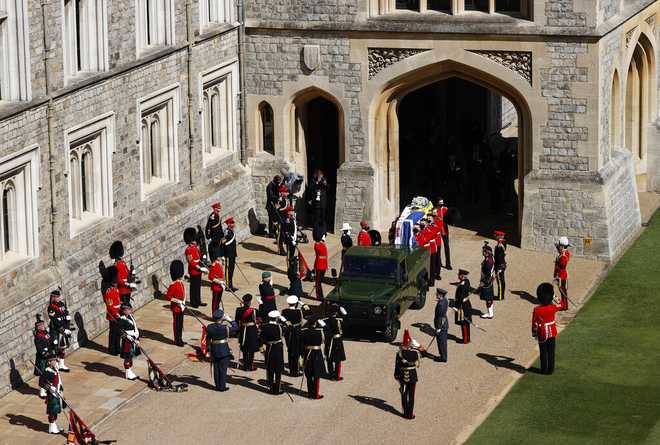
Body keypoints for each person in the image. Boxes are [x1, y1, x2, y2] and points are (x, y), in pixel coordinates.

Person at [532, 282, 568, 375]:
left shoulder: (537, 309)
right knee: (551, 352)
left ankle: (544, 370)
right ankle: (550, 370)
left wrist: (534, 334)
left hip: (542, 332)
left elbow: (534, 323)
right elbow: (562, 305)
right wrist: (554, 296)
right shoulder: (552, 307)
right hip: (552, 331)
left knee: (543, 352)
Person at [394, 329, 425, 420]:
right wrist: (419, 346)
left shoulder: (399, 353)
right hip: (412, 376)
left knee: (404, 394)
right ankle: (410, 414)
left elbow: (397, 365)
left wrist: (396, 375)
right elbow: (423, 351)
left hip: (402, 376)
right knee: (411, 396)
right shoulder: (415, 353)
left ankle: (405, 413)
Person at [206, 309, 238, 391]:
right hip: (223, 350)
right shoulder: (225, 328)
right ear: (221, 318)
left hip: (214, 349)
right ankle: (222, 387)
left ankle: (217, 386)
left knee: (216, 368)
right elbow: (236, 327)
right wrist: (230, 320)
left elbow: (208, 339)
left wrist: (209, 349)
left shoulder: (209, 327)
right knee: (223, 369)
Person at [260, 310, 288, 394]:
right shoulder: (280, 327)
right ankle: (277, 389)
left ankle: (271, 388)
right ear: (276, 318)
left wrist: (262, 350)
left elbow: (261, 339)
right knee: (278, 369)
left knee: (270, 368)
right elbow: (290, 328)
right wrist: (285, 320)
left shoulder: (264, 327)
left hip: (269, 348)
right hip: (278, 348)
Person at [281, 296, 309, 376]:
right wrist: (303, 304)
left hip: (288, 333)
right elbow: (308, 314)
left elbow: (283, 322)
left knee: (290, 350)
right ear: (296, 303)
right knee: (297, 351)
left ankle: (291, 369)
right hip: (297, 332)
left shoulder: (284, 311)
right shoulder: (299, 311)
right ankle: (295, 371)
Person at [301, 318, 326, 399]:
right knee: (316, 375)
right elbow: (322, 341)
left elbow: (302, 344)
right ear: (315, 323)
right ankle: (315, 394)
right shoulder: (319, 331)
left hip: (307, 354)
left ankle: (310, 393)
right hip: (317, 354)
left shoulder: (304, 331)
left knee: (309, 375)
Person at [47, 290, 71, 372]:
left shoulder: (62, 304)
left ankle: (62, 364)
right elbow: (54, 320)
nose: (58, 298)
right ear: (53, 297)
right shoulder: (51, 307)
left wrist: (67, 326)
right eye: (56, 297)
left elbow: (66, 314)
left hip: (64, 327)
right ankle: (55, 363)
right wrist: (63, 329)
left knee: (63, 347)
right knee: (56, 347)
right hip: (56, 329)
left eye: (58, 296)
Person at [184, 227, 208, 308]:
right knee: (194, 287)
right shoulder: (188, 250)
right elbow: (190, 262)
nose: (195, 241)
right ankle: (193, 302)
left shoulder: (194, 248)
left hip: (198, 269)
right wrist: (199, 268)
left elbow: (198, 257)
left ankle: (198, 301)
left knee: (198, 286)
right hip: (194, 270)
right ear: (190, 241)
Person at [235, 294, 259, 371]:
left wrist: (241, 308)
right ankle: (250, 365)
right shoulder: (254, 310)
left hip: (243, 330)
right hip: (252, 330)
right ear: (249, 302)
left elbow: (236, 321)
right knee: (251, 349)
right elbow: (260, 318)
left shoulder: (238, 310)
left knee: (244, 348)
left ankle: (245, 366)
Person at [117, 303, 141, 381]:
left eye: (130, 309)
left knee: (131, 356)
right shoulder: (121, 320)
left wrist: (136, 338)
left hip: (134, 338)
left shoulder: (131, 317)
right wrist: (130, 338)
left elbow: (135, 327)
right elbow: (121, 332)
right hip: (127, 340)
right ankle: (128, 372)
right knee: (127, 357)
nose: (130, 310)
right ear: (124, 311)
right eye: (128, 309)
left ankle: (130, 371)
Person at [42, 354, 64, 434]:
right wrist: (50, 388)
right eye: (53, 360)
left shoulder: (55, 369)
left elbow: (59, 380)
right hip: (51, 394)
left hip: (57, 392)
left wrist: (61, 389)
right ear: (49, 362)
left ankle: (55, 425)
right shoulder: (46, 371)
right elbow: (41, 383)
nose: (55, 362)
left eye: (55, 360)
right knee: (52, 410)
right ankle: (51, 427)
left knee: (56, 410)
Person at [109, 240, 136, 306]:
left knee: (127, 306)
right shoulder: (116, 265)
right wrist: (127, 283)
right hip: (122, 290)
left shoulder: (122, 262)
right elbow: (118, 279)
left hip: (127, 289)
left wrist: (132, 270)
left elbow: (127, 273)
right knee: (125, 307)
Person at [324, 304, 347, 381]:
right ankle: (337, 376)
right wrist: (341, 308)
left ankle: (331, 375)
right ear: (336, 312)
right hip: (337, 341)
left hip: (329, 340)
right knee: (338, 359)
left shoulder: (325, 320)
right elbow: (346, 317)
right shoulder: (339, 320)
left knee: (329, 358)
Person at [166, 260, 186, 347]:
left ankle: (180, 338)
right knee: (177, 325)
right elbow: (168, 297)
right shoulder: (173, 285)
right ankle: (177, 340)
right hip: (176, 308)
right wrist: (177, 301)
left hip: (181, 307)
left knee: (180, 324)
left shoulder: (180, 283)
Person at [103, 266, 122, 355]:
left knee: (118, 332)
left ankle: (117, 348)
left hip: (118, 313)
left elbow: (117, 302)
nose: (116, 283)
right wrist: (116, 314)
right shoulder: (109, 291)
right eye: (115, 282)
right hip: (113, 315)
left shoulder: (115, 289)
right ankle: (112, 349)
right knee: (113, 333)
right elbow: (110, 306)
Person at [33, 316, 51, 399]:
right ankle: (41, 390)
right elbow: (40, 349)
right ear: (38, 327)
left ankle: (47, 388)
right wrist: (46, 353)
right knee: (42, 374)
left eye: (43, 325)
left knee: (48, 373)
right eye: (41, 326)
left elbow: (49, 340)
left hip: (49, 356)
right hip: (42, 358)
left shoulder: (45, 332)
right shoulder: (37, 337)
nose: (43, 326)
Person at [454, 269, 472, 344]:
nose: (458, 276)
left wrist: (456, 306)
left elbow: (460, 298)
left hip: (462, 306)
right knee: (466, 323)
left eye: (459, 275)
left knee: (463, 323)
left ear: (462, 276)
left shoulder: (462, 285)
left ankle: (465, 339)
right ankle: (467, 338)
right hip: (467, 304)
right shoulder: (466, 281)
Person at [479, 243, 496, 319]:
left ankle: (490, 314)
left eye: (484, 251)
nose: (482, 252)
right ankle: (490, 312)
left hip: (487, 282)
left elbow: (488, 273)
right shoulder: (490, 258)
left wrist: (484, 282)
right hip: (489, 280)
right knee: (489, 298)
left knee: (488, 298)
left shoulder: (488, 261)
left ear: (487, 252)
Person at [435, 198, 451, 270]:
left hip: (444, 230)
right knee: (438, 248)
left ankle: (448, 264)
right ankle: (439, 262)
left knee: (447, 247)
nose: (441, 204)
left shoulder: (445, 209)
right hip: (437, 231)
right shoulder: (434, 210)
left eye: (442, 203)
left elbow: (450, 218)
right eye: (440, 203)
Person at [433, 288, 449, 362]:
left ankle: (443, 357)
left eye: (437, 294)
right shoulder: (444, 300)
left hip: (441, 325)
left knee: (441, 342)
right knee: (443, 341)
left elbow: (439, 317)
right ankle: (443, 355)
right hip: (444, 323)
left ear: (440, 295)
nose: (436, 294)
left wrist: (438, 327)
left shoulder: (440, 305)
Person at [223, 217, 238, 292]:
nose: (233, 224)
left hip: (232, 254)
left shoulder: (232, 232)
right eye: (232, 223)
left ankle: (231, 285)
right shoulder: (227, 232)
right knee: (228, 270)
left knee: (231, 270)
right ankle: (228, 286)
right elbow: (223, 243)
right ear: (229, 224)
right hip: (228, 254)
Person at [313, 230, 328, 300]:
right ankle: (319, 296)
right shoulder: (317, 245)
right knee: (318, 282)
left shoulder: (321, 244)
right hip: (319, 265)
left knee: (320, 281)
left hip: (323, 265)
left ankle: (320, 295)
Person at [494, 230, 507, 301]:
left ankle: (500, 296)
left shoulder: (500, 246)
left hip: (499, 266)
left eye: (496, 235)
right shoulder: (502, 243)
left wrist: (499, 268)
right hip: (501, 265)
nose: (494, 236)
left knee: (500, 282)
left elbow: (500, 258)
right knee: (501, 281)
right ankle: (501, 295)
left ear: (499, 236)